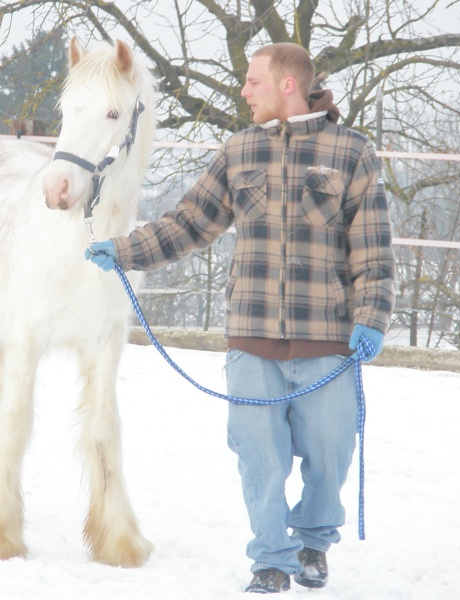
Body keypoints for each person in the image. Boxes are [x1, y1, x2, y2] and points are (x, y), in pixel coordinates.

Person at [85, 43, 394, 594]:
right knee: (259, 456)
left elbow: (372, 250)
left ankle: (313, 542)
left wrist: (371, 318)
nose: (244, 91)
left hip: (328, 340)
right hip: (251, 339)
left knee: (331, 452)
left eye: (253, 82)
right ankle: (271, 559)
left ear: (288, 85)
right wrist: (124, 249)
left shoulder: (352, 152)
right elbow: (188, 223)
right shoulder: (239, 151)